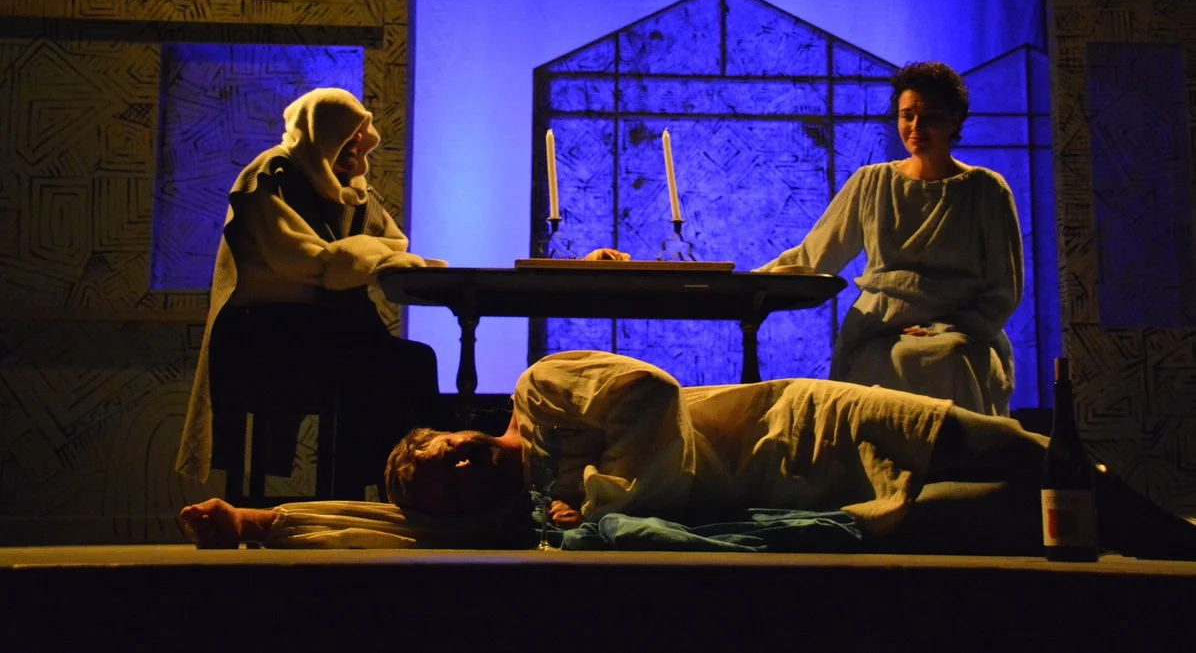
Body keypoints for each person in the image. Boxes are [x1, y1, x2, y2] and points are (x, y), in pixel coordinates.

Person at [183, 351, 1196, 558]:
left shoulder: (540, 398)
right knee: (1016, 517)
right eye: (446, 489)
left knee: (1022, 450)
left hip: (803, 424)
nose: (458, 471)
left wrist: (606, 494)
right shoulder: (530, 518)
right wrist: (263, 522)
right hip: (798, 491)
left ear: (453, 429)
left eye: (445, 455)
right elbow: (390, 530)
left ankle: (1181, 538)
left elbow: (649, 394)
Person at [176, 88, 443, 499]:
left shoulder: (353, 191)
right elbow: (302, 258)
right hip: (267, 335)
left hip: (326, 330)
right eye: (346, 139)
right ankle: (358, 491)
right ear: (322, 134)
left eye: (359, 141)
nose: (355, 150)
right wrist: (368, 258)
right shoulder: (272, 174)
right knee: (377, 369)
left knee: (414, 362)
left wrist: (369, 258)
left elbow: (394, 244)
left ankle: (407, 486)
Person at [756, 61, 1022, 417]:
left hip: (958, 330)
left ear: (955, 120)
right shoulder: (873, 182)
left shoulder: (986, 190)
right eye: (907, 116)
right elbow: (813, 256)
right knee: (880, 370)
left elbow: (1004, 286)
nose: (916, 127)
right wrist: (750, 285)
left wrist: (950, 326)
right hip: (879, 326)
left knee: (948, 359)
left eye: (930, 117)